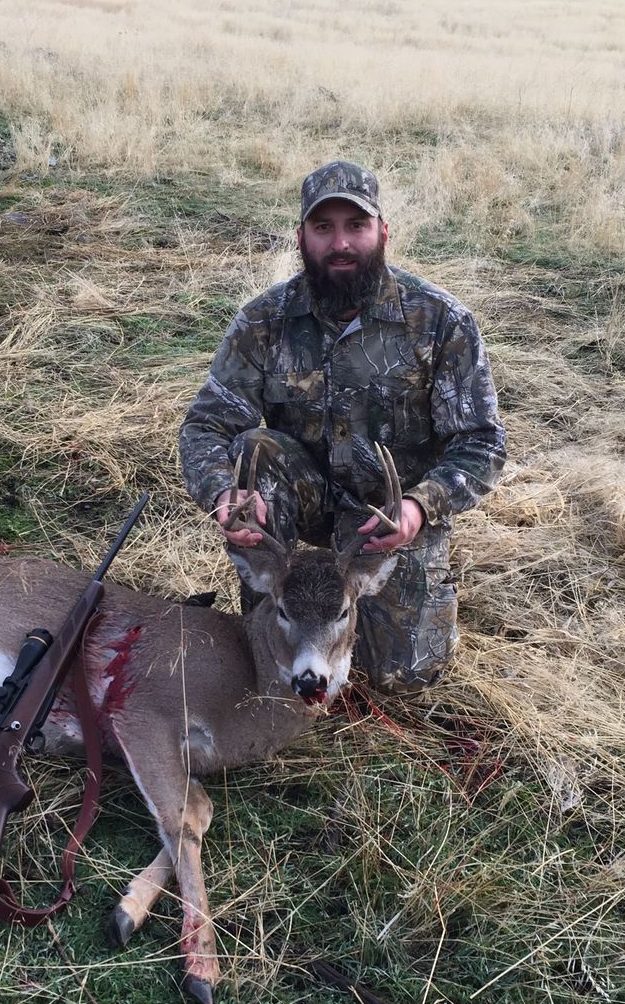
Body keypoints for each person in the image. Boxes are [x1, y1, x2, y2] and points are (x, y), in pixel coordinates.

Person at [178, 160, 506, 690]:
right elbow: (206, 426)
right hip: (299, 502)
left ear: (383, 232)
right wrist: (223, 492)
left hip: (385, 521)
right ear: (301, 237)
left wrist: (419, 507)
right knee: (253, 449)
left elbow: (482, 443)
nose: (341, 244)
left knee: (402, 677)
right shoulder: (264, 320)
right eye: (323, 227)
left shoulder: (441, 322)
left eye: (356, 225)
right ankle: (272, 628)